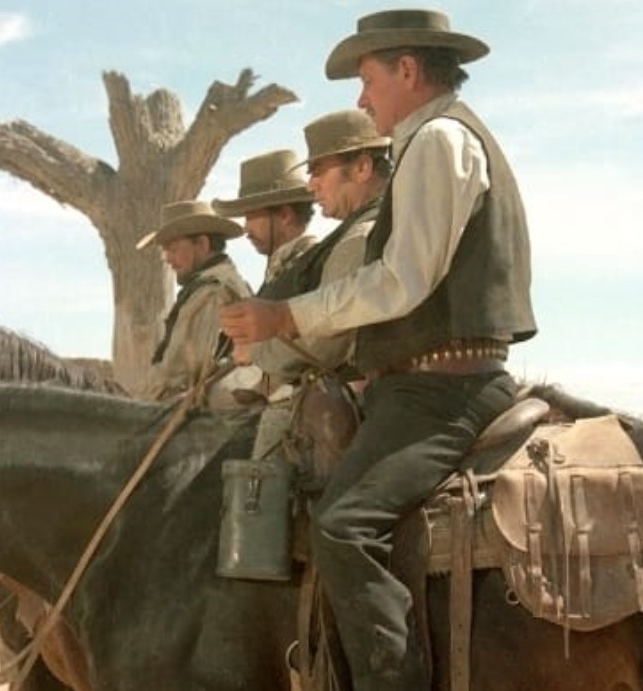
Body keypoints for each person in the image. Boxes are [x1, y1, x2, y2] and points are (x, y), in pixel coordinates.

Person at [219, 9, 536, 690]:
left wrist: (285, 316)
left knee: (343, 525)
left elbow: (400, 279)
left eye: (367, 80)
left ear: (407, 70)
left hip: (439, 390)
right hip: (429, 381)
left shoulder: (438, 140)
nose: (362, 100)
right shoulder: (440, 139)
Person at [245, 109, 391, 461]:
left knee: (263, 463)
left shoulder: (359, 238)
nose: (311, 185)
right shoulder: (367, 229)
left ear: (362, 168)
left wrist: (255, 351)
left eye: (318, 171)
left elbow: (323, 346)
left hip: (372, 397)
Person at [137, 199, 252, 401]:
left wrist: (142, 402)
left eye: (173, 249)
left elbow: (181, 377)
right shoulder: (220, 284)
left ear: (202, 244)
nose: (167, 259)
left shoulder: (211, 291)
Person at [213, 149, 317, 285]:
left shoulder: (313, 267)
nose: (246, 229)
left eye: (251, 217)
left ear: (285, 215)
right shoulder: (285, 268)